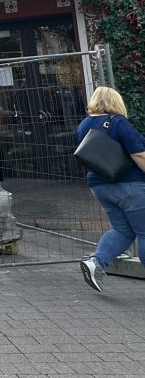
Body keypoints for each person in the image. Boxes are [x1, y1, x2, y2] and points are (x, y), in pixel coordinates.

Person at [76, 86, 145, 292]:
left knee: (123, 230)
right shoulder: (118, 122)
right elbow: (139, 154)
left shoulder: (84, 125)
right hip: (129, 185)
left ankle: (96, 262)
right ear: (116, 102)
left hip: (100, 186)